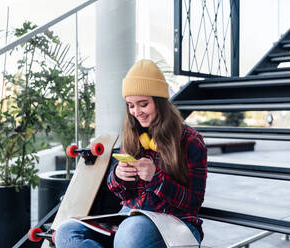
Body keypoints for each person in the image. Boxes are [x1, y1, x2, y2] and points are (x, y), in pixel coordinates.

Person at [55, 59, 207, 248]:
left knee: (130, 232)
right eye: (131, 105)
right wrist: (118, 176)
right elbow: (120, 193)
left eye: (143, 104)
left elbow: (194, 202)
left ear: (160, 103)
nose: (136, 112)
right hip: (130, 217)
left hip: (176, 224)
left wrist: (156, 178)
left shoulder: (191, 140)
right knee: (67, 232)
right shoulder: (133, 134)